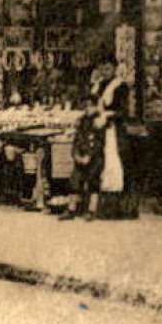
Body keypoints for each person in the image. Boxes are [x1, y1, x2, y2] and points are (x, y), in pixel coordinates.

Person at [62, 62, 138, 221]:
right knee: (93, 167)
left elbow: (123, 112)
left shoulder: (120, 87)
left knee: (112, 166)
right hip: (96, 130)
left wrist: (106, 115)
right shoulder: (98, 86)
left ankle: (114, 208)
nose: (105, 72)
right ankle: (88, 206)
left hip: (112, 131)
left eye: (108, 68)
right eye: (102, 68)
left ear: (115, 69)